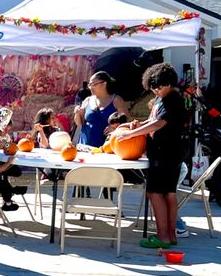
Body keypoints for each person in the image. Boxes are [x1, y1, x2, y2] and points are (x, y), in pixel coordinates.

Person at [119, 62, 188, 249]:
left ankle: (162, 236)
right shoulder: (160, 100)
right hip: (163, 152)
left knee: (155, 192)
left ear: (168, 83)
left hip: (166, 153)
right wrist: (137, 125)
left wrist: (131, 134)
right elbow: (151, 120)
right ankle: (171, 236)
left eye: (158, 86)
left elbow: (158, 124)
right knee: (168, 194)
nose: (156, 90)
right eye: (153, 87)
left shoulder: (172, 99)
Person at [74, 71, 130, 147]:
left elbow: (126, 121)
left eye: (93, 84)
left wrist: (115, 128)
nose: (90, 87)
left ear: (104, 84)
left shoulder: (116, 100)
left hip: (108, 147)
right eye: (89, 85)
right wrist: (77, 113)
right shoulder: (87, 100)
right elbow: (79, 123)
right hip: (85, 146)